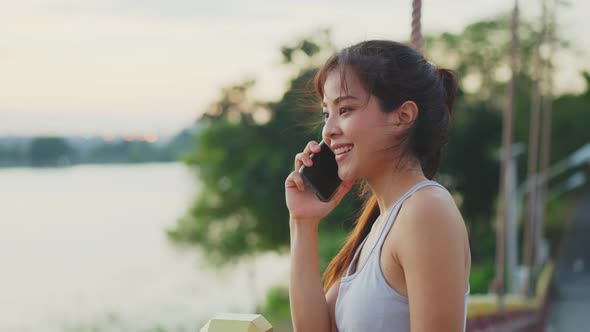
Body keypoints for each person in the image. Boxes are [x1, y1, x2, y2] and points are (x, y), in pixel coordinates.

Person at [285, 40, 471, 332]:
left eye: (345, 109)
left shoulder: (426, 211)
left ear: (403, 117)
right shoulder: (382, 224)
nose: (328, 131)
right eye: (326, 114)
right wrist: (302, 222)